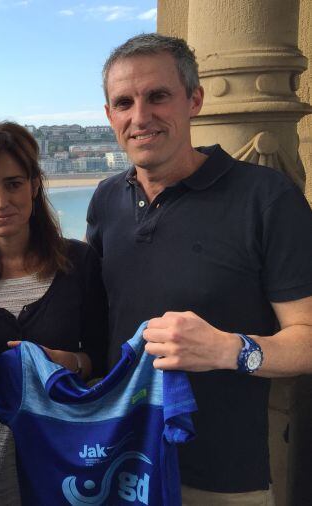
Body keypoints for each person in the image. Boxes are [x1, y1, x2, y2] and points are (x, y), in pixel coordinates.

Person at [87, 33, 312, 505]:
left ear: (195, 99)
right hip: (119, 465)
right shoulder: (107, 198)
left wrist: (230, 349)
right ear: (110, 116)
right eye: (123, 102)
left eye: (158, 96)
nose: (140, 116)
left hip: (223, 481)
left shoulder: (266, 199)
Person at [0, 122, 108, 505]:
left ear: (34, 185)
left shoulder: (79, 263)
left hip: (67, 464)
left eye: (13, 184)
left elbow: (104, 358)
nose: (0, 201)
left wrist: (70, 363)